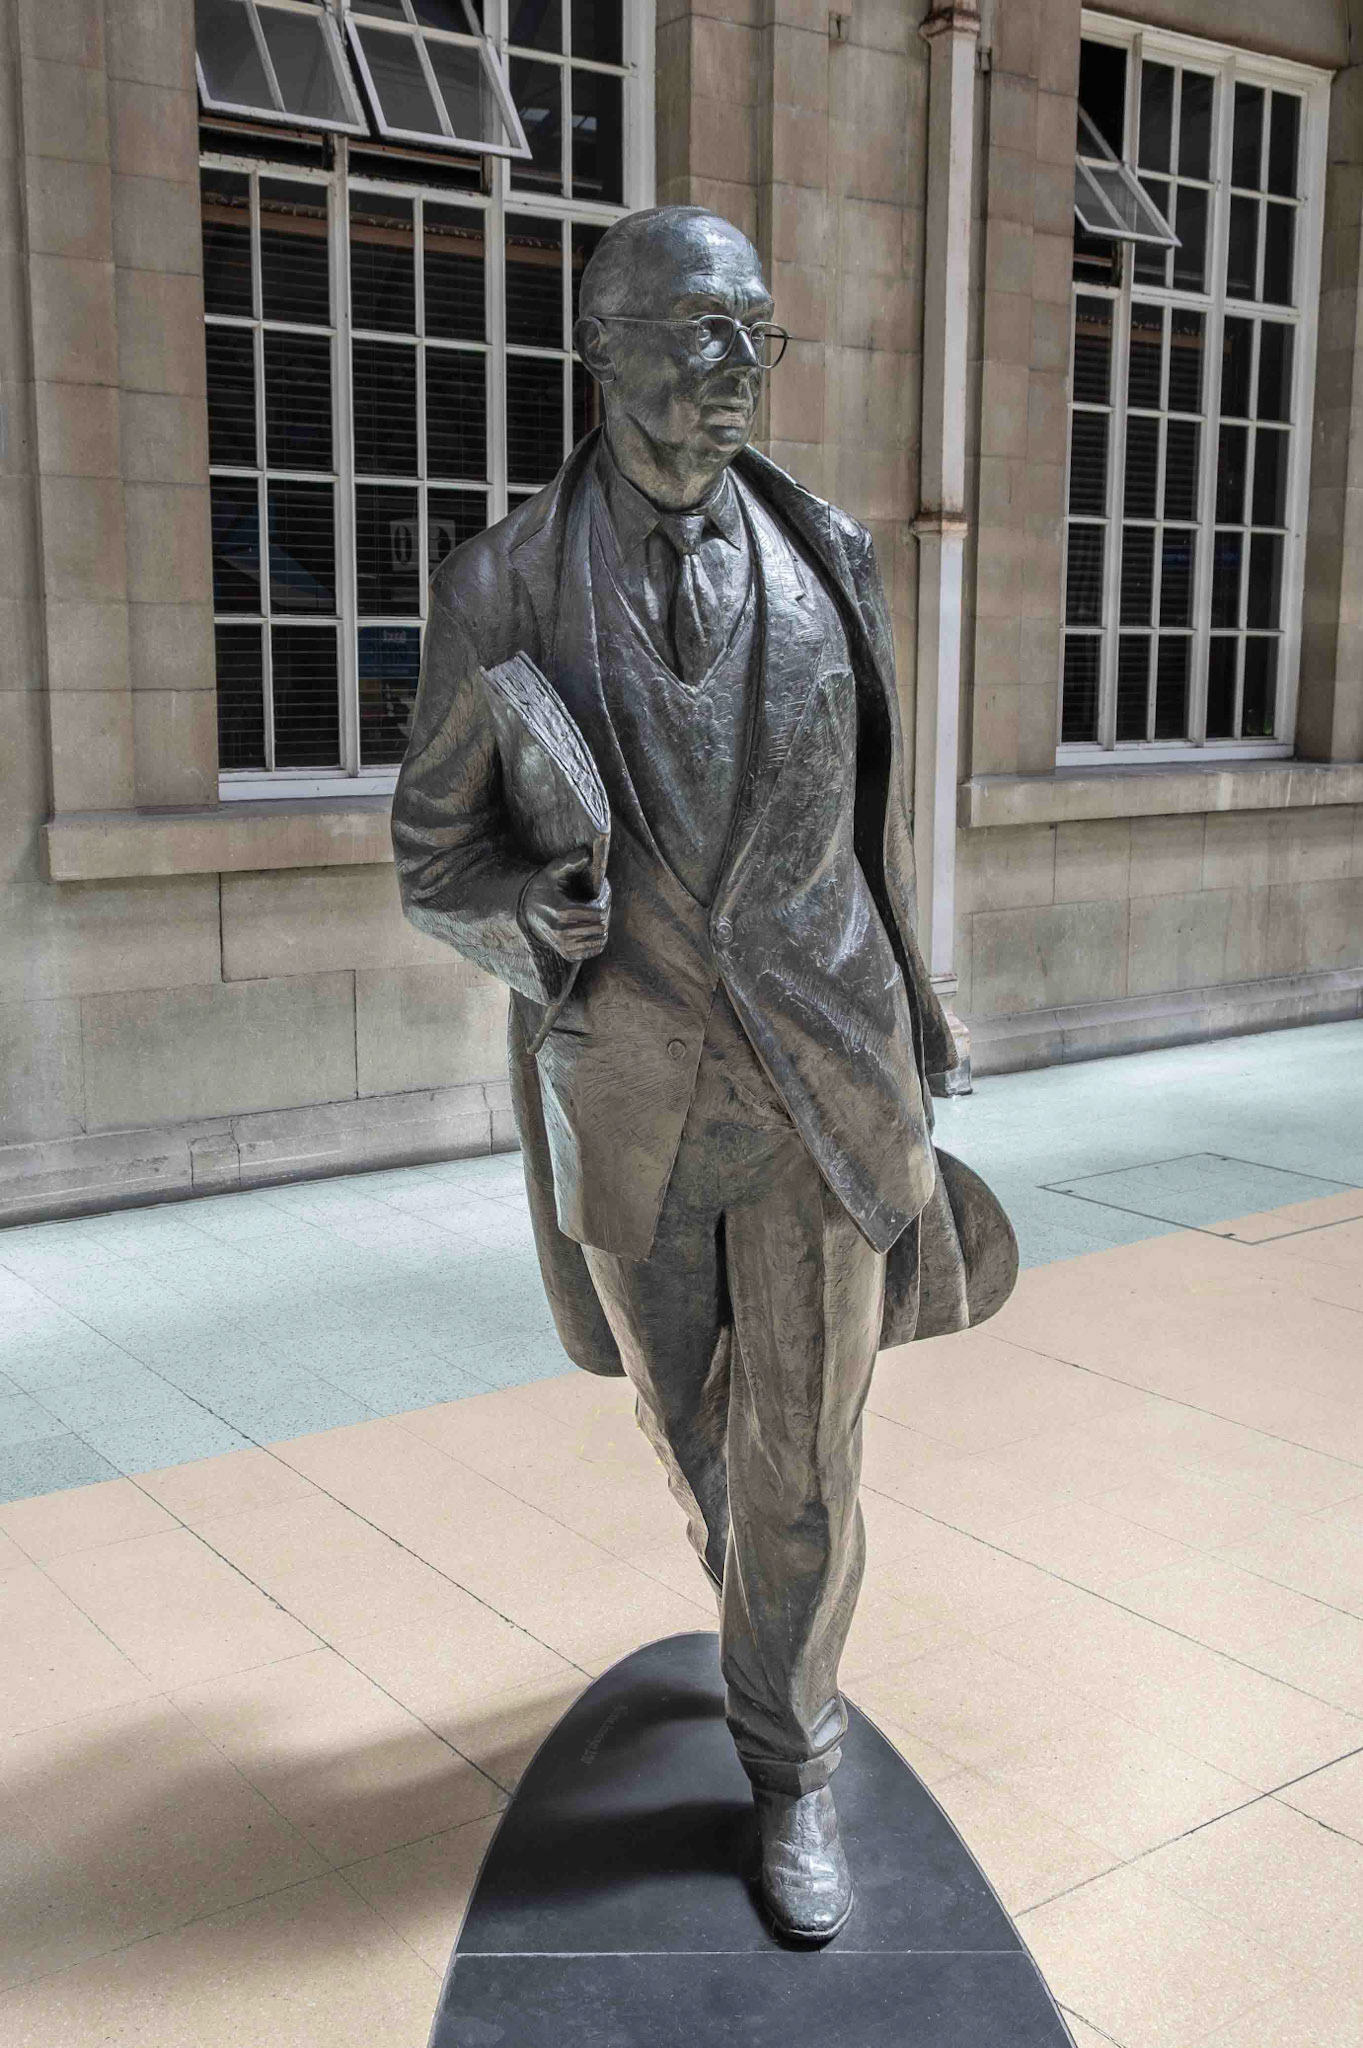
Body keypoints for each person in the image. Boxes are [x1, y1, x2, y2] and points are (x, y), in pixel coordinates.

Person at [392, 206, 977, 1943]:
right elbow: (434, 856)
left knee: (807, 1461)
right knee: (695, 1426)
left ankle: (792, 1764)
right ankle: (760, 1597)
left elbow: (867, 819)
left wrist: (919, 999)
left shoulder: (831, 554)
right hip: (632, 1084)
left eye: (756, 337)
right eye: (702, 333)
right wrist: (529, 912)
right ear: (604, 345)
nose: (737, 371)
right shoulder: (501, 585)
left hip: (824, 1073)